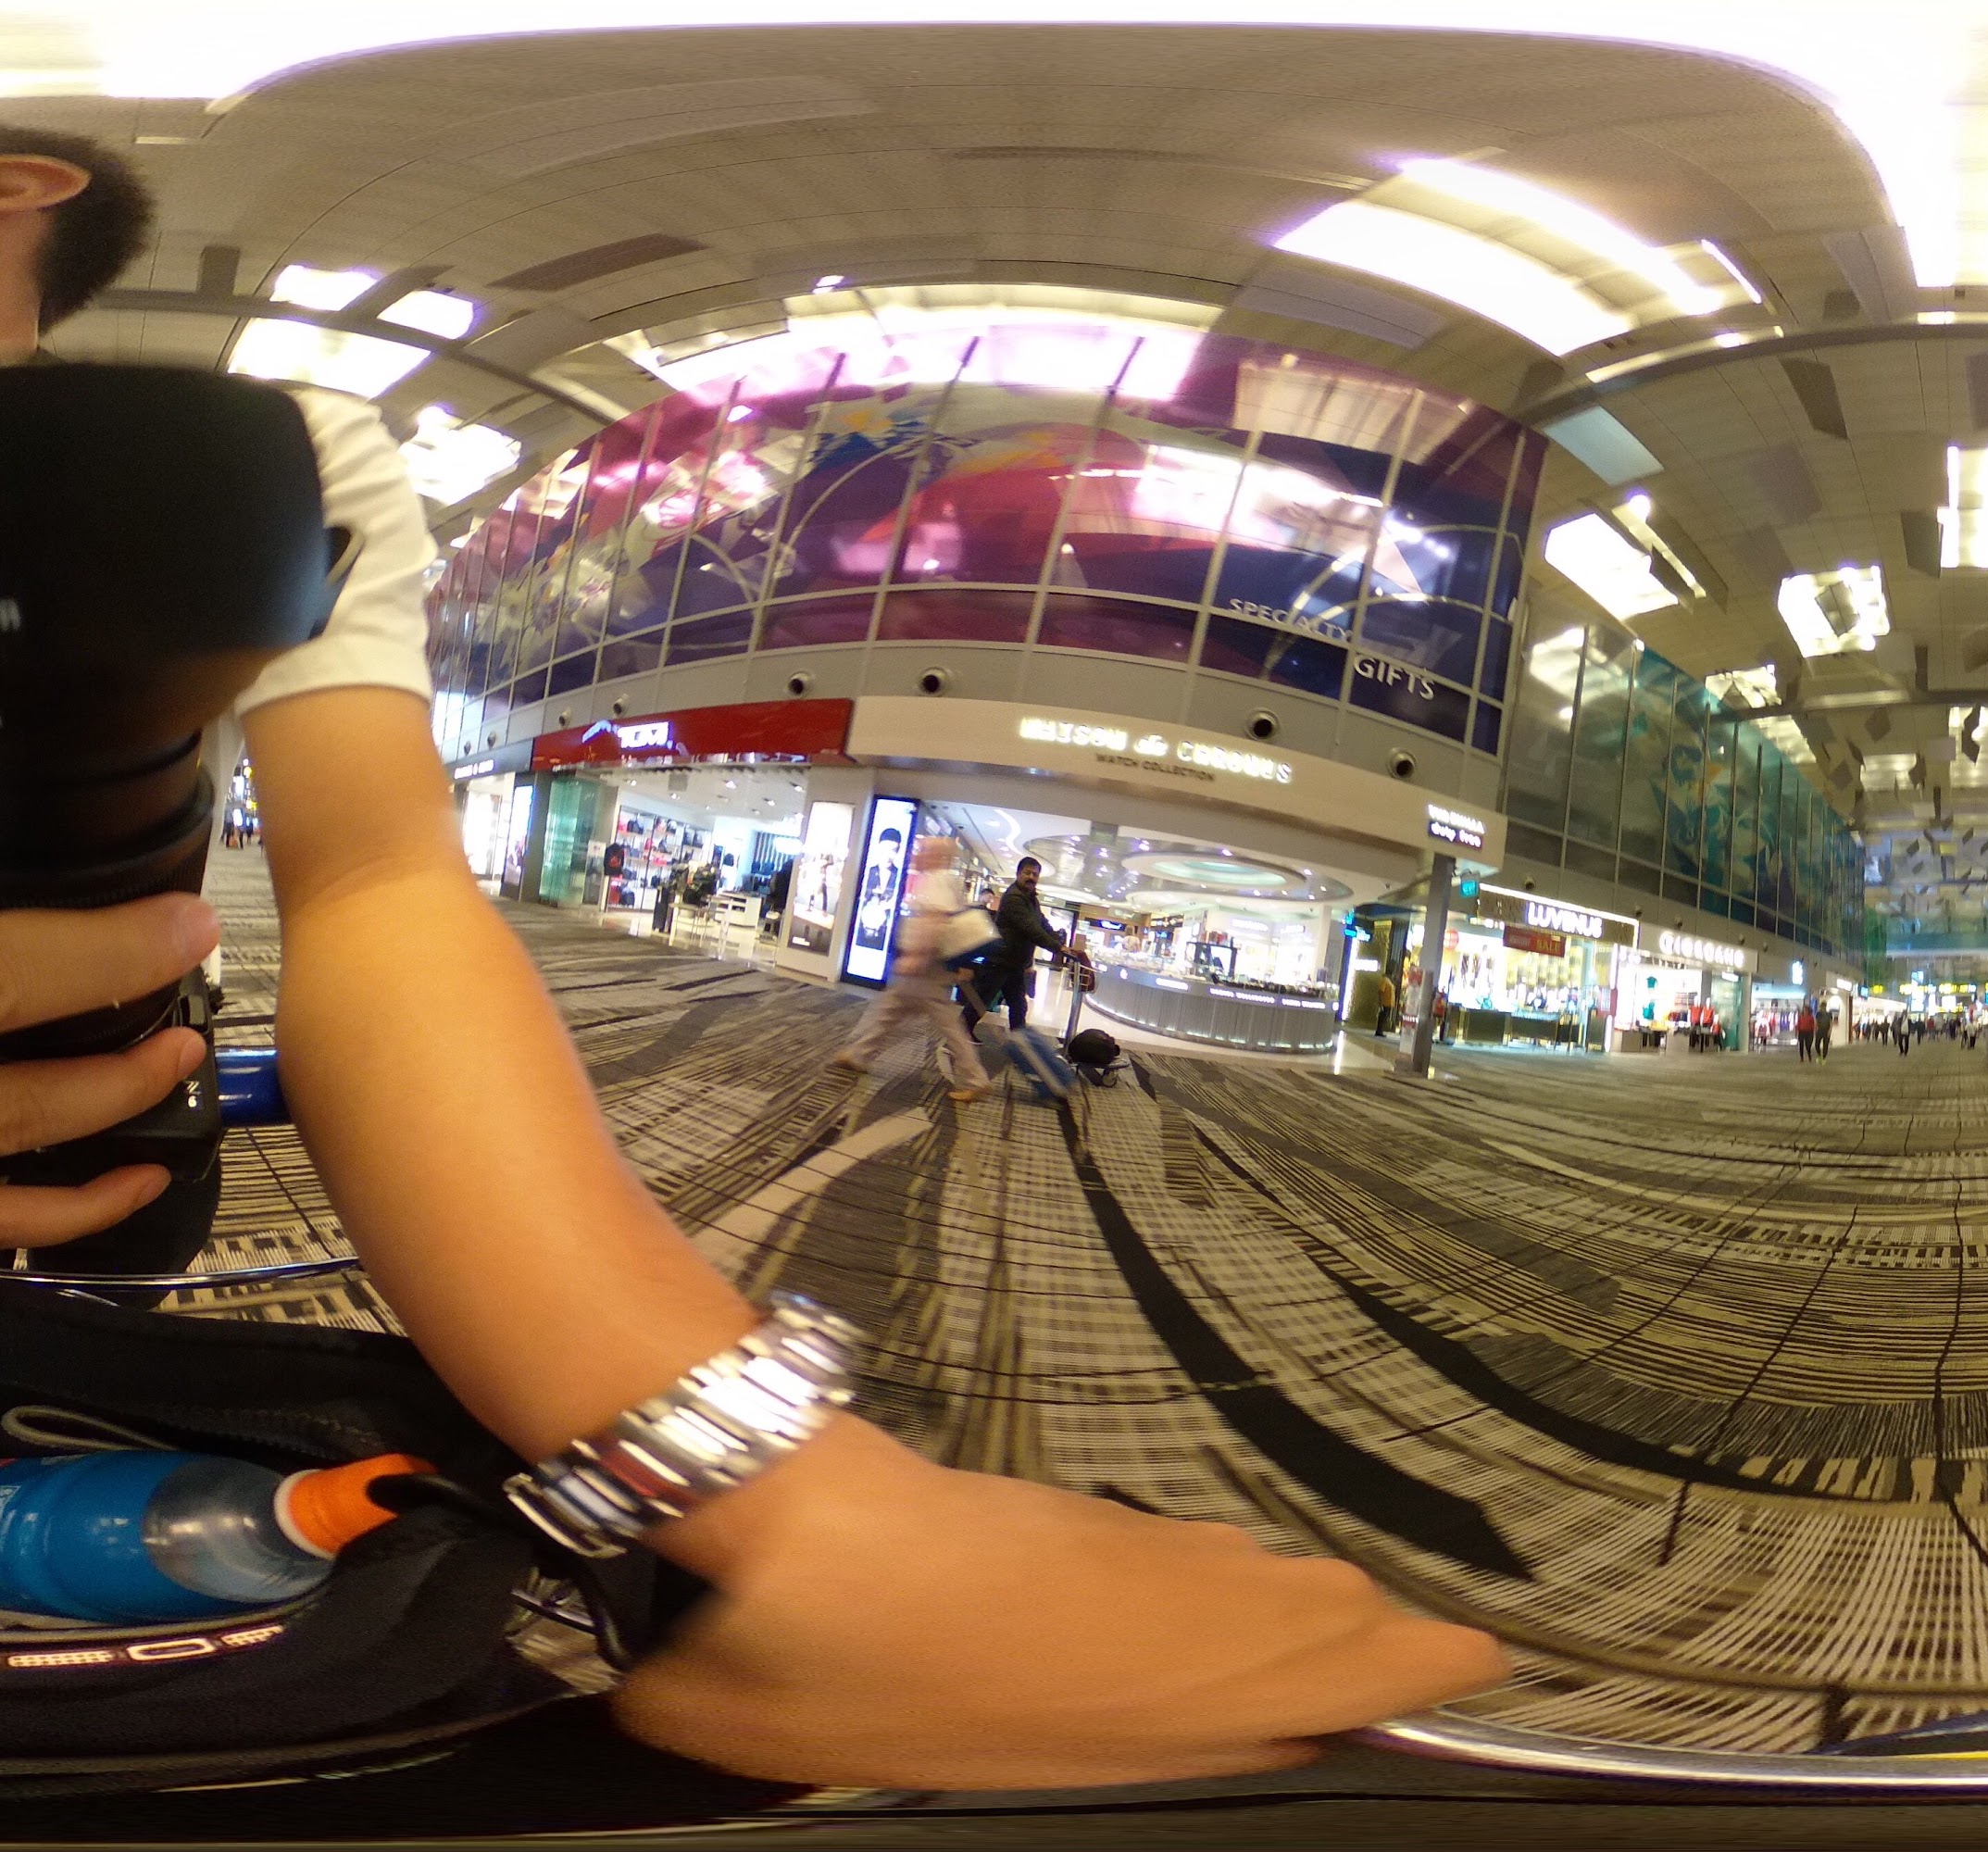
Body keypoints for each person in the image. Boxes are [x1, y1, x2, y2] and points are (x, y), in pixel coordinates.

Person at [0, 128, 1498, 1787]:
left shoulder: (253, 465)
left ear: (22, 179)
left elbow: (378, 889)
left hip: (81, 1145)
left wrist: (799, 1509)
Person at [831, 838, 989, 1104]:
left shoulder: (937, 879)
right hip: (928, 967)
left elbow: (934, 921)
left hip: (925, 967)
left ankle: (976, 1079)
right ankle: (859, 1054)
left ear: (938, 856)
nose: (918, 854)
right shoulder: (941, 879)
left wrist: (916, 957)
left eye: (924, 850)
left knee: (942, 1023)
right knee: (891, 1011)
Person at [985, 856, 1081, 1038]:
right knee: (983, 1000)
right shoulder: (1014, 897)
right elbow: (1031, 929)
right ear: (1018, 873)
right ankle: (954, 1039)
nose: (1031, 877)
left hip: (1014, 963)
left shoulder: (1030, 898)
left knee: (1018, 1005)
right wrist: (1057, 948)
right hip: (1001, 961)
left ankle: (1020, 1043)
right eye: (1027, 873)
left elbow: (1042, 923)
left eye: (1035, 874)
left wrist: (1060, 943)